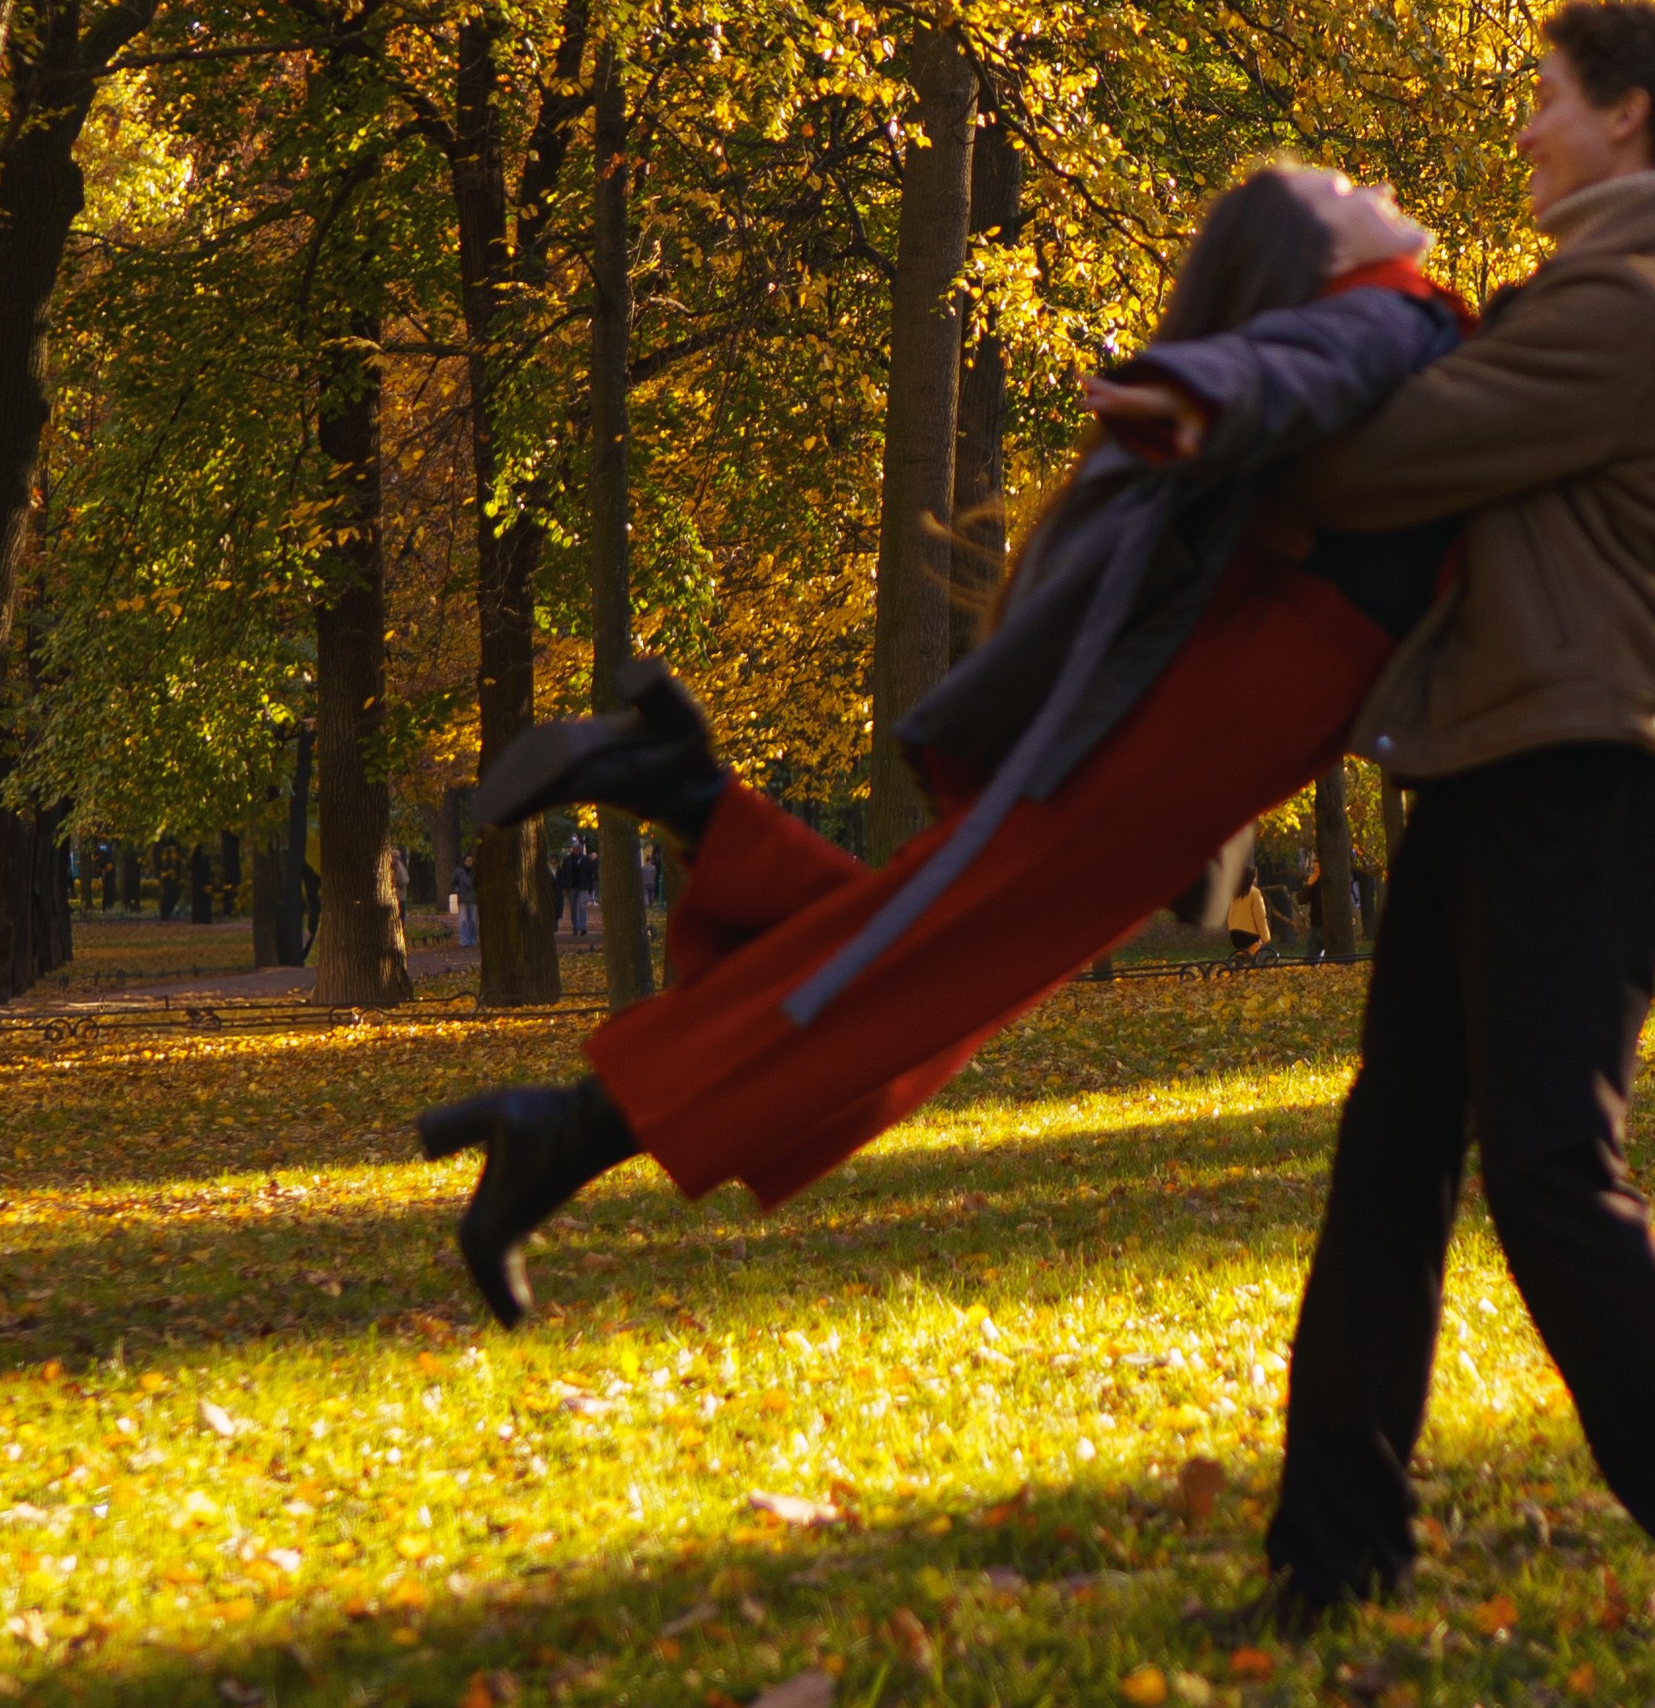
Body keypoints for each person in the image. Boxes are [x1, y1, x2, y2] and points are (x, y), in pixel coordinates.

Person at [414, 163, 1468, 1327]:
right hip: (1230, 717)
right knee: (939, 957)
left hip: (1238, 715)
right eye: (1335, 184)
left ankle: (681, 814)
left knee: (949, 946)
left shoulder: (1411, 308)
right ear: (1314, 256)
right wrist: (1194, 391)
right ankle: (566, 1120)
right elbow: (1298, 370)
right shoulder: (1388, 308)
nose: (1363, 182)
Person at [1233, 0, 1655, 1639]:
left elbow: (1382, 461)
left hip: (1583, 764)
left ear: (1628, 118)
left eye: (1547, 102)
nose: (1528, 129)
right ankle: (1335, 1560)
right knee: (1391, 1157)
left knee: (1552, 1169)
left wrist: (1253, 418)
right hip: (1496, 754)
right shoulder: (1591, 296)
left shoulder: (1631, 309)